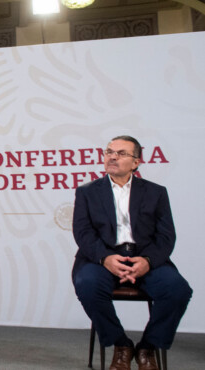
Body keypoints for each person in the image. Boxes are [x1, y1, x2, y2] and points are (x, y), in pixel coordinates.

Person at [72, 135, 192, 370]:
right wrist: (105, 258)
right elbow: (83, 232)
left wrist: (148, 261)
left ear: (136, 162)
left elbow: (166, 236)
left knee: (177, 290)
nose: (112, 157)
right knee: (87, 284)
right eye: (109, 152)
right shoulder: (87, 192)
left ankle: (148, 347)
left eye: (121, 153)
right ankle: (121, 344)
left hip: (145, 258)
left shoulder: (156, 192)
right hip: (102, 258)